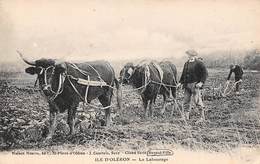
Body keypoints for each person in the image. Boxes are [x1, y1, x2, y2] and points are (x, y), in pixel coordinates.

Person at [177, 49, 208, 122]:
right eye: (188, 54)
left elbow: (205, 74)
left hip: (195, 85)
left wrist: (201, 82)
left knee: (197, 101)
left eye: (190, 55)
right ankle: (186, 117)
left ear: (193, 55)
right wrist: (180, 82)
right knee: (185, 101)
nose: (188, 56)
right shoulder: (186, 63)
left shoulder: (199, 63)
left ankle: (202, 118)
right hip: (187, 85)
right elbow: (183, 74)